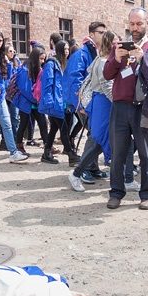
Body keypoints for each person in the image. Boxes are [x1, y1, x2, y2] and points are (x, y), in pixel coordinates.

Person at [103, 7, 148, 210]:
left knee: (147, 152)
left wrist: (143, 58)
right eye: (132, 24)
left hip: (145, 107)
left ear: (147, 23)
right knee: (118, 153)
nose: (135, 27)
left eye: (139, 23)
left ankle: (147, 194)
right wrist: (116, 58)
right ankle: (116, 193)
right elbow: (107, 74)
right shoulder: (118, 46)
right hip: (120, 107)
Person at [69, 31, 116, 191]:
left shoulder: (101, 59)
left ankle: (125, 177)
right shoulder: (103, 61)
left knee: (112, 141)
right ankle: (76, 173)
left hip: (103, 103)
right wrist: (118, 102)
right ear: (111, 44)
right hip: (104, 104)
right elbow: (106, 86)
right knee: (99, 141)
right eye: (117, 42)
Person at [64, 22, 107, 181]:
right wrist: (80, 104)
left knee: (95, 134)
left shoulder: (95, 52)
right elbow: (75, 80)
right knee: (95, 135)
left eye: (104, 32)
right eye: (100, 32)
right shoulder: (82, 53)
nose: (104, 35)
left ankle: (92, 167)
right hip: (84, 103)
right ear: (92, 33)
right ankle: (85, 168)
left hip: (94, 102)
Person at [0, 29, 28, 164]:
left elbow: (7, 78)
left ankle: (13, 152)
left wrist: (8, 65)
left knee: (7, 124)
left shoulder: (3, 57)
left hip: (1, 96)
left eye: (0, 40)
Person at [39, 38, 76, 165]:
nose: (67, 51)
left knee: (54, 129)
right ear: (60, 50)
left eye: (68, 49)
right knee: (64, 129)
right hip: (54, 103)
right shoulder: (51, 63)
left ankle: (46, 153)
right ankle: (71, 155)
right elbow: (47, 83)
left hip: (59, 102)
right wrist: (49, 101)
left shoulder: (61, 63)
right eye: (64, 49)